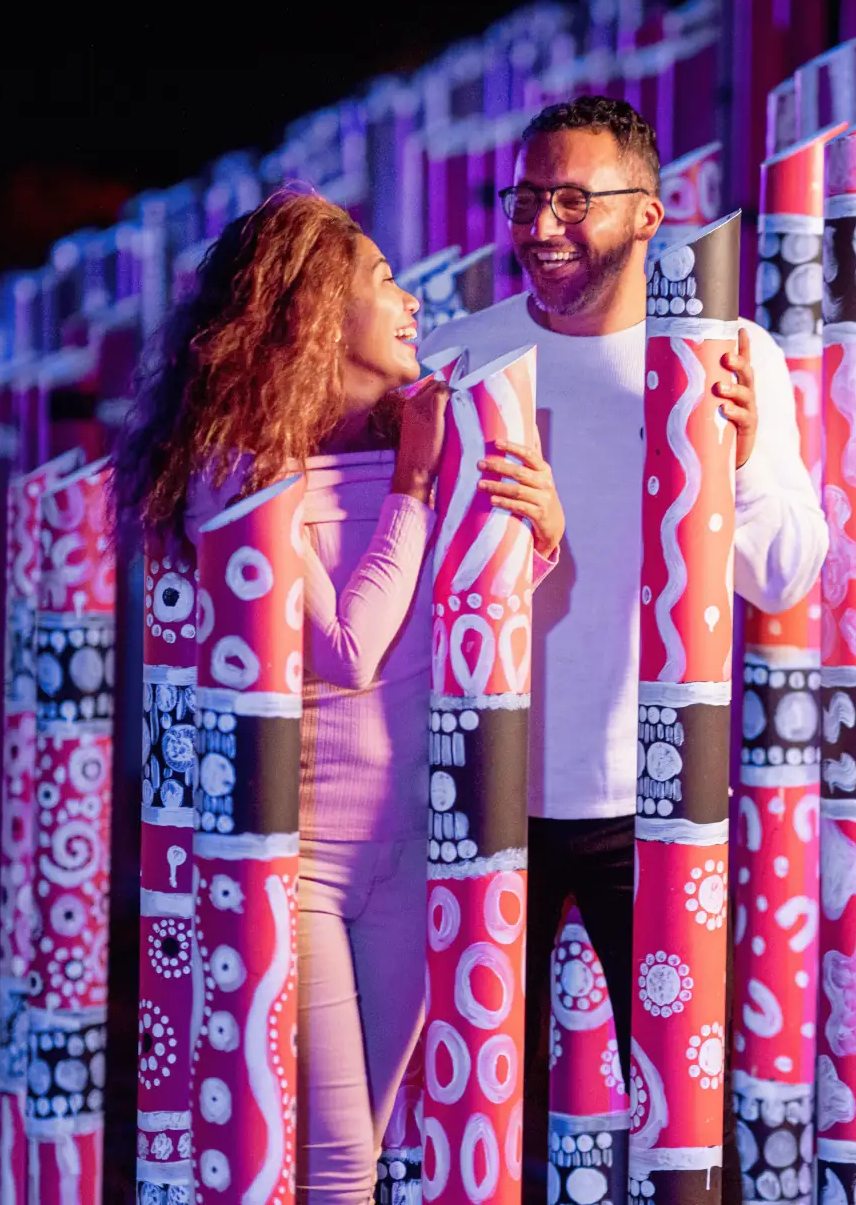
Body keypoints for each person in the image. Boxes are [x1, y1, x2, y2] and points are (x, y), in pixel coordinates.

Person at [114, 188, 564, 1203]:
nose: (412, 303)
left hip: (413, 850)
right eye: (385, 281)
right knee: (338, 1161)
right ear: (317, 307)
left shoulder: (421, 442)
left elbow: (462, 618)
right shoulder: (244, 472)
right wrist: (412, 488)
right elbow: (349, 648)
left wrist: (541, 536)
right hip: (298, 861)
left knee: (366, 1144)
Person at [416, 96, 828, 1199]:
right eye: (526, 200)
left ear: (649, 213)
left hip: (653, 804)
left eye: (572, 201)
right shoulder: (458, 359)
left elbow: (785, 571)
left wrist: (733, 462)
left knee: (683, 1122)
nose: (542, 226)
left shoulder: (730, 356)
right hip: (472, 790)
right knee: (460, 1122)